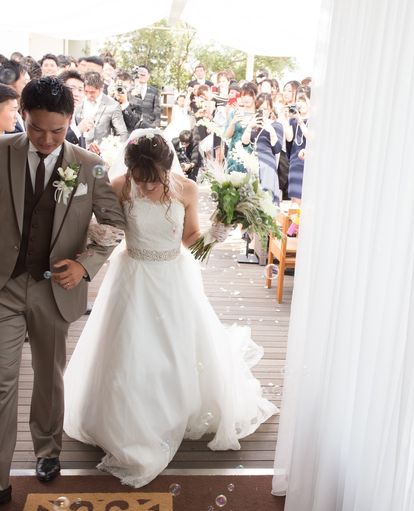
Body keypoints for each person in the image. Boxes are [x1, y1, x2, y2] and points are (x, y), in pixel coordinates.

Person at [64, 129, 278, 488]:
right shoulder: (119, 186)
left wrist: (215, 233)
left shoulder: (187, 189)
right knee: (128, 350)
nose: (146, 186)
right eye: (139, 179)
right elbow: (108, 230)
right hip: (132, 276)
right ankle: (126, 418)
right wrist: (94, 234)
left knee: (175, 348)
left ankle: (175, 408)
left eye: (154, 179)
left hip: (172, 277)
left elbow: (190, 238)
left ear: (168, 168)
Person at [0, 77, 125, 504]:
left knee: (49, 376)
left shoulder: (89, 165)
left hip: (55, 288)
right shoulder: (2, 151)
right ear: (22, 116)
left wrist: (85, 264)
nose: (47, 139)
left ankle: (47, 451)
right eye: (36, 128)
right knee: (2, 380)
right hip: (5, 286)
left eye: (57, 130)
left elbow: (115, 223)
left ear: (71, 119)